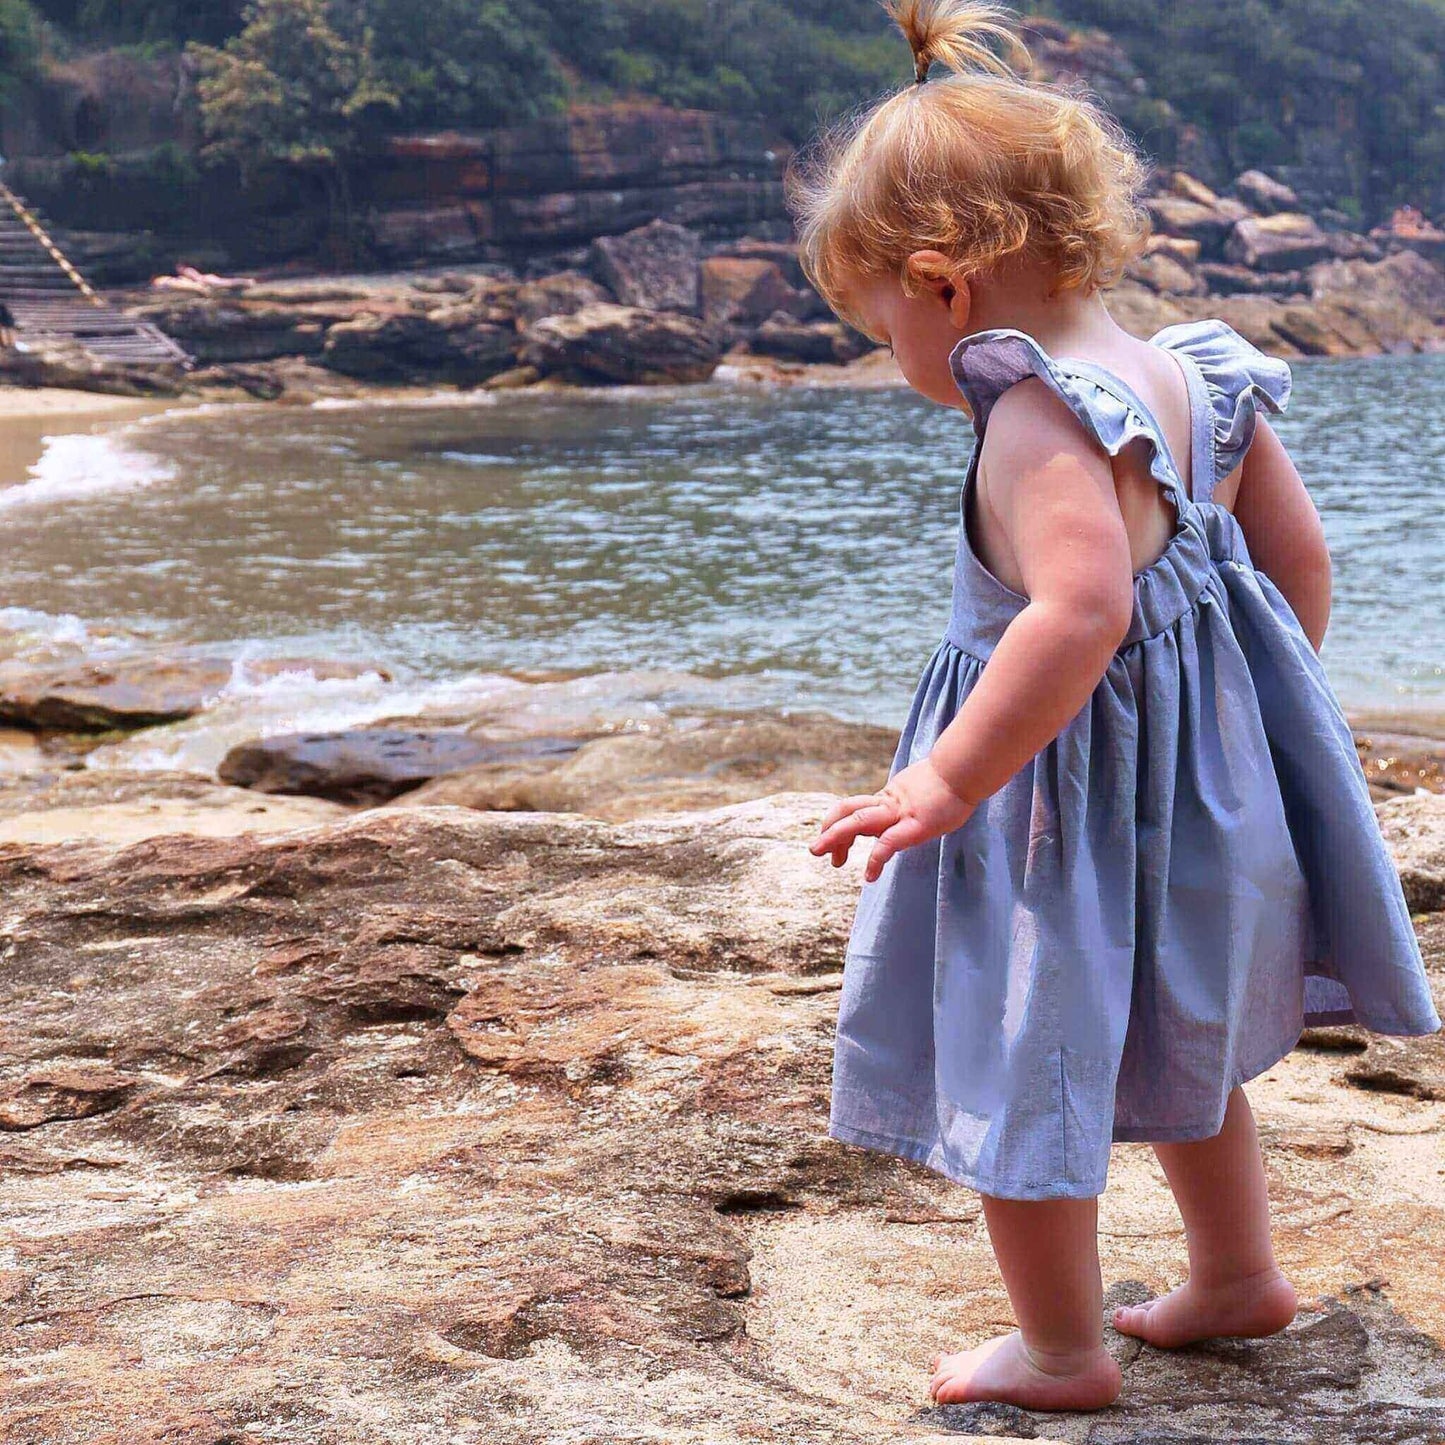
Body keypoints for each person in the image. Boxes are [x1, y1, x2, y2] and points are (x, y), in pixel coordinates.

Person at [787, 0, 1441, 1413]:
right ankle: (1231, 1278)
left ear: (940, 285)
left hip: (1051, 812)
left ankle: (1062, 1351)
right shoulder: (1192, 377)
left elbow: (1075, 611)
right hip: (1195, 798)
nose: (892, 352)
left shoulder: (1031, 412)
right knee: (1185, 1036)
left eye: (875, 319)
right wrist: (1244, 733)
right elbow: (1295, 565)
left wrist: (945, 781)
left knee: (1022, 1059)